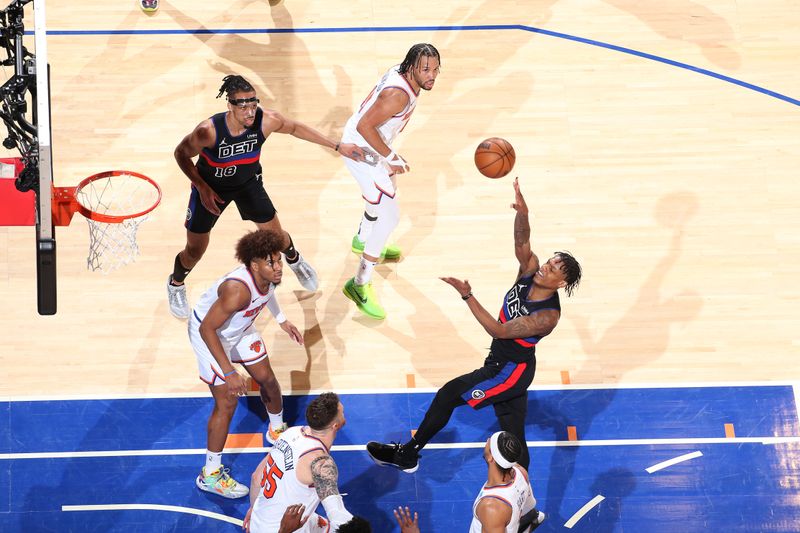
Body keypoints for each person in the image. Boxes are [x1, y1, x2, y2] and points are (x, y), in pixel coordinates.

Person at [366, 177, 582, 472]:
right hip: (505, 363)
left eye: (554, 268)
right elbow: (522, 242)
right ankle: (526, 504)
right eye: (549, 261)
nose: (545, 266)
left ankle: (408, 454)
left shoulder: (548, 316)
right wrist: (523, 212)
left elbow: (499, 330)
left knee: (448, 395)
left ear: (563, 282)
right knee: (515, 436)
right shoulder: (530, 270)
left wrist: (467, 295)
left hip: (508, 371)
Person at [168, 74, 364, 319]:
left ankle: (294, 259)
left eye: (253, 104)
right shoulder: (208, 131)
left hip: (248, 184)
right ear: (230, 105)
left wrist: (337, 145)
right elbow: (180, 154)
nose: (250, 112)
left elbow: (295, 128)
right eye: (243, 106)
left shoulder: (266, 120)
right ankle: (176, 284)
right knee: (195, 250)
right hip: (210, 189)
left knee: (276, 238)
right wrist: (201, 186)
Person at [191, 229, 303, 499]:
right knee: (227, 401)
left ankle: (277, 431)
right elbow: (208, 329)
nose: (278, 268)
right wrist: (229, 372)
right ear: (254, 265)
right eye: (271, 263)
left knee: (267, 379)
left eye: (279, 261)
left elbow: (268, 293)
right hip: (210, 336)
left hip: (238, 330)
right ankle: (210, 475)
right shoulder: (237, 290)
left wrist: (282, 320)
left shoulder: (269, 276)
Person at [340, 43, 441, 320]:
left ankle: (362, 239)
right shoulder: (398, 94)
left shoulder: (402, 73)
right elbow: (365, 126)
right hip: (363, 149)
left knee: (380, 199)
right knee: (389, 218)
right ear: (411, 68)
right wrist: (390, 156)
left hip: (369, 145)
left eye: (435, 69)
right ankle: (359, 284)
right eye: (426, 70)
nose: (431, 75)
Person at [243, 392, 369, 532]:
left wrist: (253, 511)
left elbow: (256, 477)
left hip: (258, 520)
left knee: (321, 526)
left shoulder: (291, 433)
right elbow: (336, 513)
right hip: (283, 529)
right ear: (336, 425)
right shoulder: (320, 463)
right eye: (343, 412)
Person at [470, 431, 545, 533]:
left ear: (490, 457)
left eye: (490, 441)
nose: (487, 440)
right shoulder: (521, 473)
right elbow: (528, 508)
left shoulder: (491, 507)